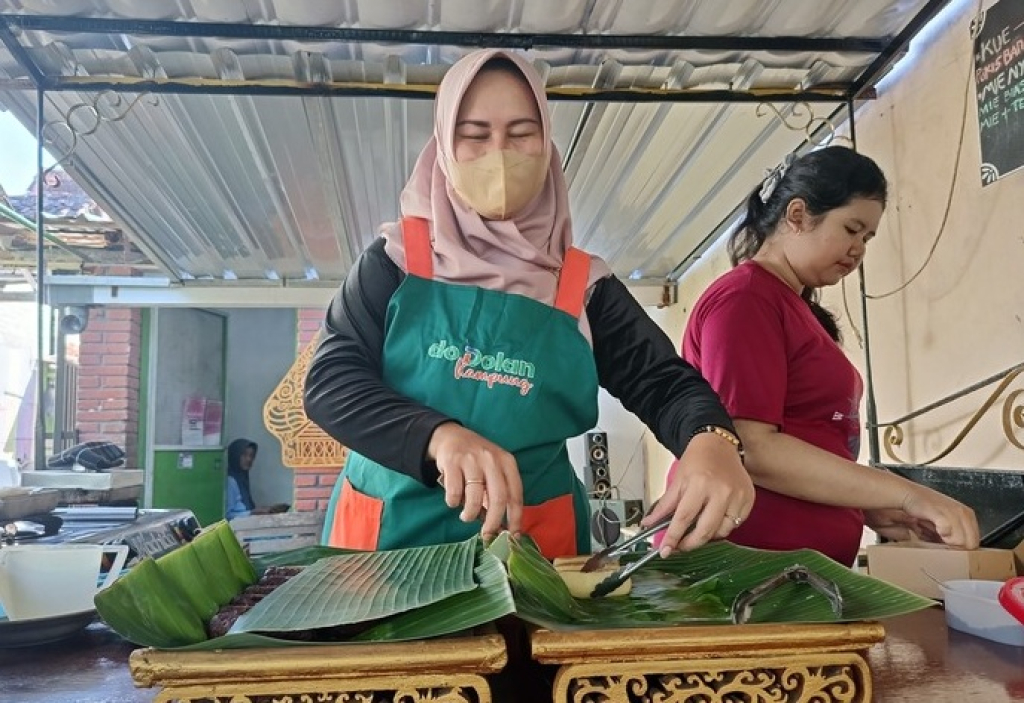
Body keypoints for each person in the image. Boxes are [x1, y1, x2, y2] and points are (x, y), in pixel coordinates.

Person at [303, 48, 754, 561]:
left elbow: (664, 384)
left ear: (547, 146)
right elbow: (331, 383)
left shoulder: (583, 286)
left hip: (530, 550)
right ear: (444, 146)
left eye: (521, 133)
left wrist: (712, 441)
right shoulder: (396, 262)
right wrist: (439, 437)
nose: (499, 154)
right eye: (475, 135)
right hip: (387, 541)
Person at [668, 146, 979, 566]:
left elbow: (810, 440)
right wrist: (908, 495)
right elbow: (749, 447)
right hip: (746, 564)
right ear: (797, 215)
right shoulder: (746, 298)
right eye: (852, 229)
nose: (859, 249)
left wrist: (868, 504)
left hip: (794, 569)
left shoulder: (794, 308)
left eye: (867, 238)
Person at [225, 438, 289, 520]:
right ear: (235, 455)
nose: (249, 459)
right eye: (244, 455)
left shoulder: (242, 479)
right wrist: (252, 513)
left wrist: (266, 510)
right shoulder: (230, 481)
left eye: (251, 456)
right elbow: (227, 515)